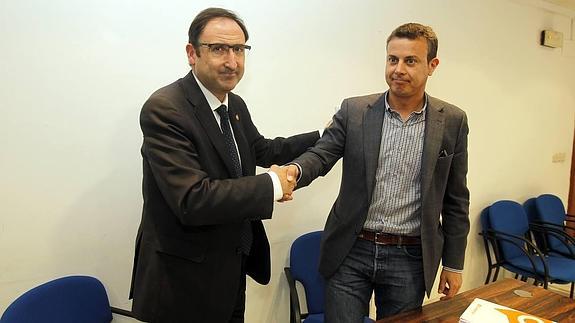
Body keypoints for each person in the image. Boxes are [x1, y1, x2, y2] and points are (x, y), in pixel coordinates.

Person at [128, 8, 319, 322]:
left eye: (239, 49)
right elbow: (193, 199)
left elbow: (264, 149)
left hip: (231, 271)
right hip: (182, 285)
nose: (232, 62)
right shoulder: (165, 109)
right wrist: (273, 185)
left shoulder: (234, 104)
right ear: (192, 53)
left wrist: (327, 135)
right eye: (218, 49)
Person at [288, 23, 470, 321]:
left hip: (409, 258)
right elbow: (321, 154)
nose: (398, 69)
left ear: (432, 65)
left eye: (410, 61)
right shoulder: (355, 110)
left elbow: (456, 199)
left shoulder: (452, 121)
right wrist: (294, 171)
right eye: (392, 59)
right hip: (351, 249)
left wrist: (453, 263)